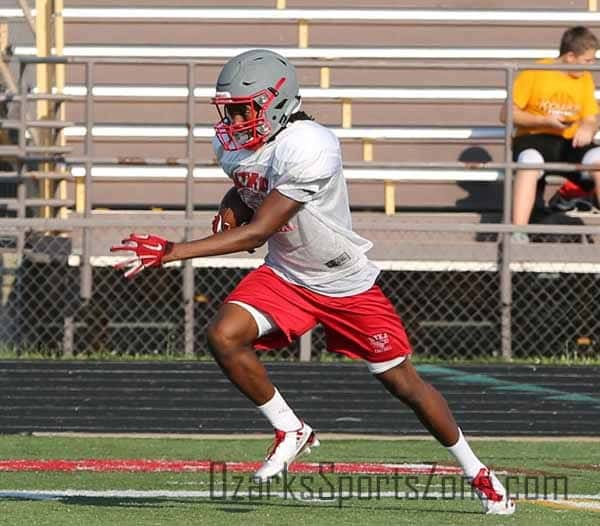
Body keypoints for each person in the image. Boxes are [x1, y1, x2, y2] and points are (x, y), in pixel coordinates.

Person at [111, 49, 515, 515]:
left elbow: (261, 230)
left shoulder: (311, 144)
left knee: (405, 385)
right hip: (287, 275)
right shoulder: (233, 145)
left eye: (245, 107)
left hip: (343, 281)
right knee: (223, 335)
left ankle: (476, 470)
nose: (234, 118)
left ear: (277, 101)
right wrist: (231, 204)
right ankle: (291, 428)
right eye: (230, 108)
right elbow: (250, 193)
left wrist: (174, 251)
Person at [501, 26, 600, 242]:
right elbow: (506, 113)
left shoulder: (584, 79)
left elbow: (592, 117)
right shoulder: (535, 72)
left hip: (570, 142)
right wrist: (543, 120)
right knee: (529, 162)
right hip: (535, 138)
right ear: (570, 56)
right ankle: (517, 232)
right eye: (587, 60)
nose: (591, 65)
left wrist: (588, 127)